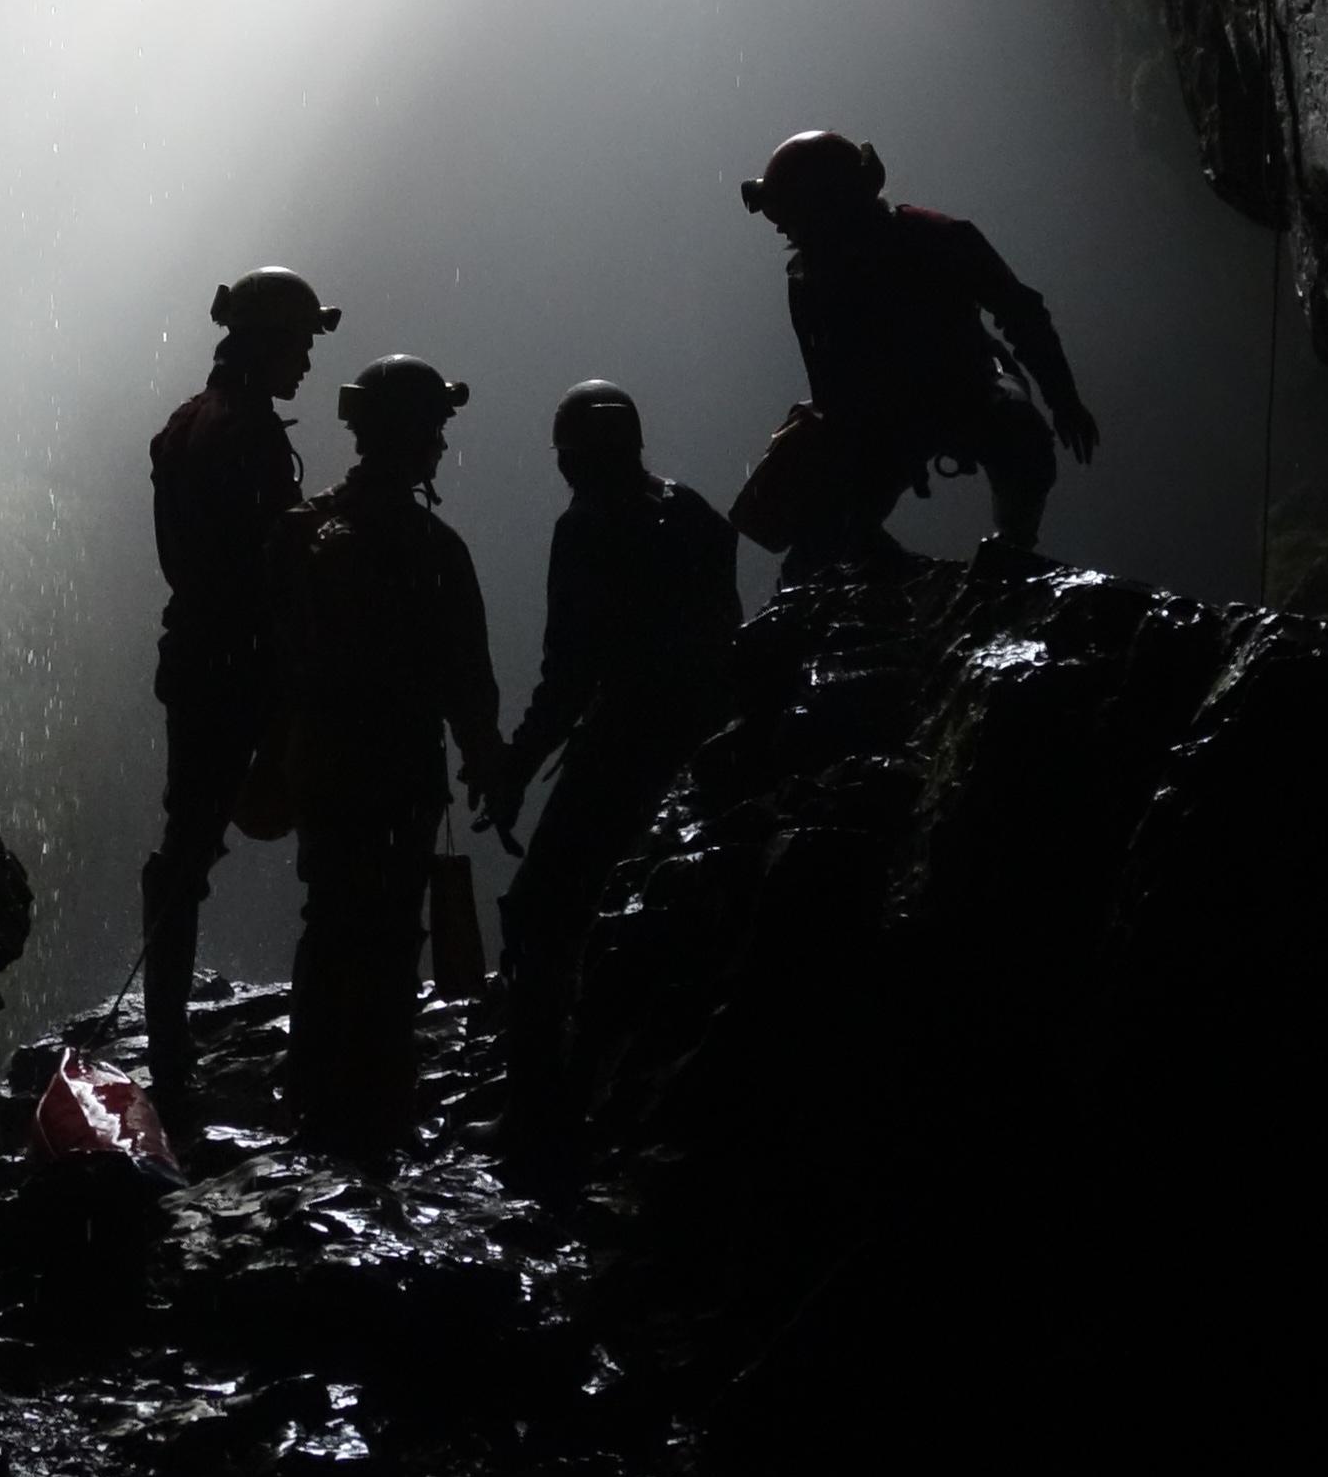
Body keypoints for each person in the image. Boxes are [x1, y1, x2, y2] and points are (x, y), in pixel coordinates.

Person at [487, 383, 739, 1171]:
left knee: (541, 913)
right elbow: (725, 634)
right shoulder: (694, 513)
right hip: (698, 744)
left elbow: (568, 674)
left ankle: (538, 1113)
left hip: (623, 743)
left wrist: (516, 768)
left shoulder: (588, 528)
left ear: (574, 456)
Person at [267, 351, 502, 1159]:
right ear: (412, 437)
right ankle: (379, 1104)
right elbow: (468, 677)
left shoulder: (300, 534)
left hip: (323, 765)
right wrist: (486, 764)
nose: (441, 443)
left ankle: (313, 1098)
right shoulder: (434, 548)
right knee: (393, 930)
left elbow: (272, 657)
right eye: (434, 428)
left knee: (330, 918)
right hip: (401, 771)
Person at [141, 266, 338, 1153]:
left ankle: (169, 1050)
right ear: (265, 343)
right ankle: (310, 1050)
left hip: (199, 654)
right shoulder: (244, 436)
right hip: (242, 662)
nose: (307, 361)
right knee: (320, 833)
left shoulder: (192, 420)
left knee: (186, 845)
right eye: (299, 343)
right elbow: (259, 568)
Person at [733, 128, 1098, 570]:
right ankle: (873, 559)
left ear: (825, 210)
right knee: (823, 535)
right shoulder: (811, 280)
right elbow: (831, 391)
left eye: (789, 216)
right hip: (883, 417)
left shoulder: (937, 239)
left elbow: (1020, 315)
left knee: (1023, 439)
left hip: (968, 387)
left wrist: (1063, 398)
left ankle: (1012, 552)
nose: (781, 228)